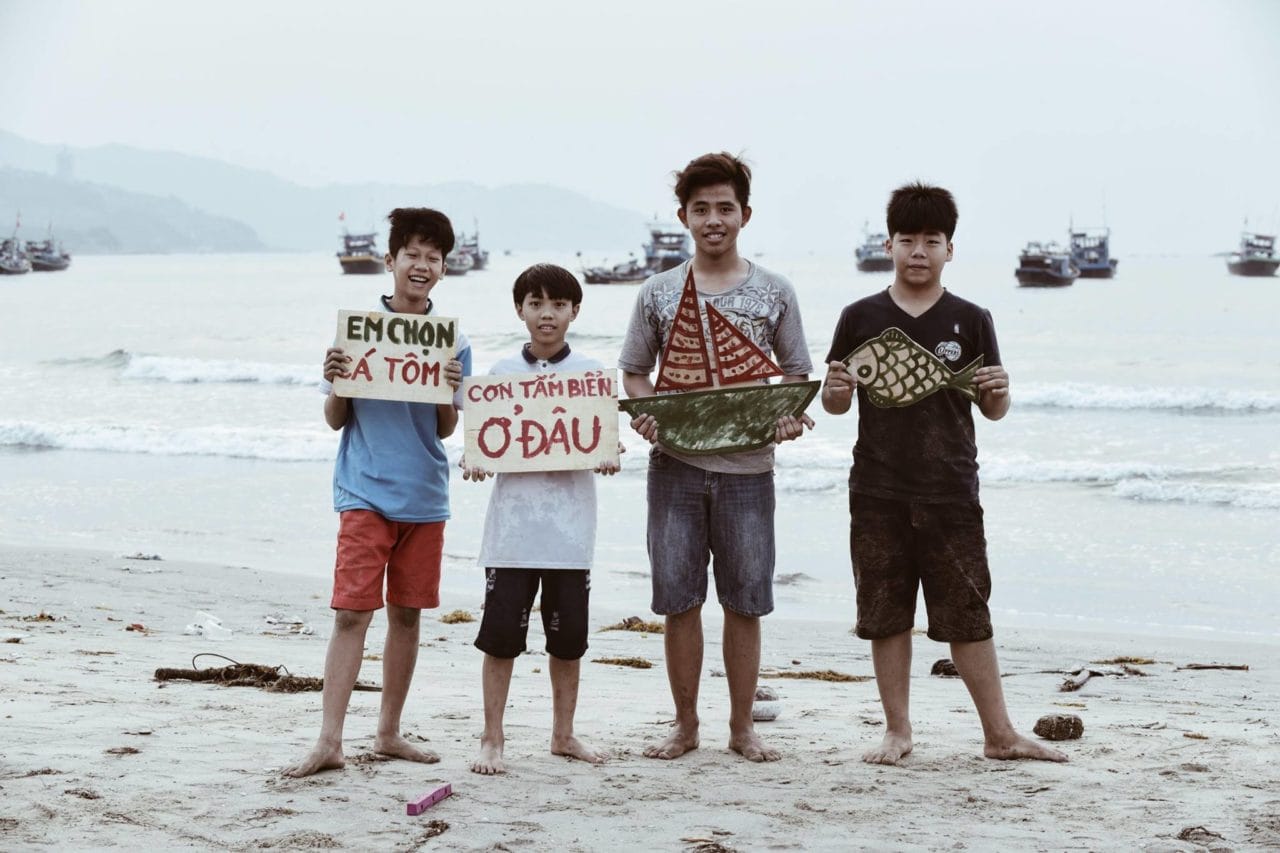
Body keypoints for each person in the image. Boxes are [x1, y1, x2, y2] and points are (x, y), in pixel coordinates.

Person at [820, 182, 1067, 765]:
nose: (919, 251)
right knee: (885, 614)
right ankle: (897, 731)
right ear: (888, 245)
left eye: (932, 240)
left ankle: (999, 733)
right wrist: (833, 390)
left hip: (952, 489)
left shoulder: (972, 319)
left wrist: (1002, 392)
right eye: (907, 239)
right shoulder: (859, 317)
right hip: (876, 489)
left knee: (967, 612)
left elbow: (993, 408)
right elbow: (835, 404)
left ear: (950, 249)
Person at [618, 152, 814, 763]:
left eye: (724, 208)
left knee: (745, 602)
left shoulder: (775, 291)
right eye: (700, 209)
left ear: (745, 214)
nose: (713, 219)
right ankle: (684, 725)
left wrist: (785, 420)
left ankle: (741, 728)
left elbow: (798, 375)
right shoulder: (657, 292)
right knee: (679, 601)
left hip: (750, 473)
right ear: (683, 216)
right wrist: (654, 419)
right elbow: (633, 372)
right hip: (673, 467)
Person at [285, 207, 471, 778]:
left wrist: (445, 387)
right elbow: (335, 419)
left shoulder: (453, 340)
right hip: (364, 489)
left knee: (408, 617)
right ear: (390, 261)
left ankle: (388, 731)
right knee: (350, 616)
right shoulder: (359, 331)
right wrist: (338, 378)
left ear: (444, 268)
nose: (422, 265)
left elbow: (445, 428)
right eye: (411, 255)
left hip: (425, 494)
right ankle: (329, 739)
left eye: (433, 257)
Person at [462, 263, 617, 775]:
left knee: (568, 642)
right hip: (511, 535)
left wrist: (609, 451)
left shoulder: (592, 373)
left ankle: (563, 734)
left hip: (570, 537)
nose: (545, 314)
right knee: (500, 639)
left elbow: (602, 437)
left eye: (556, 305)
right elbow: (486, 440)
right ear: (519, 310)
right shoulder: (502, 374)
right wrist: (477, 459)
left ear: (574, 311)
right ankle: (492, 737)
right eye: (535, 304)